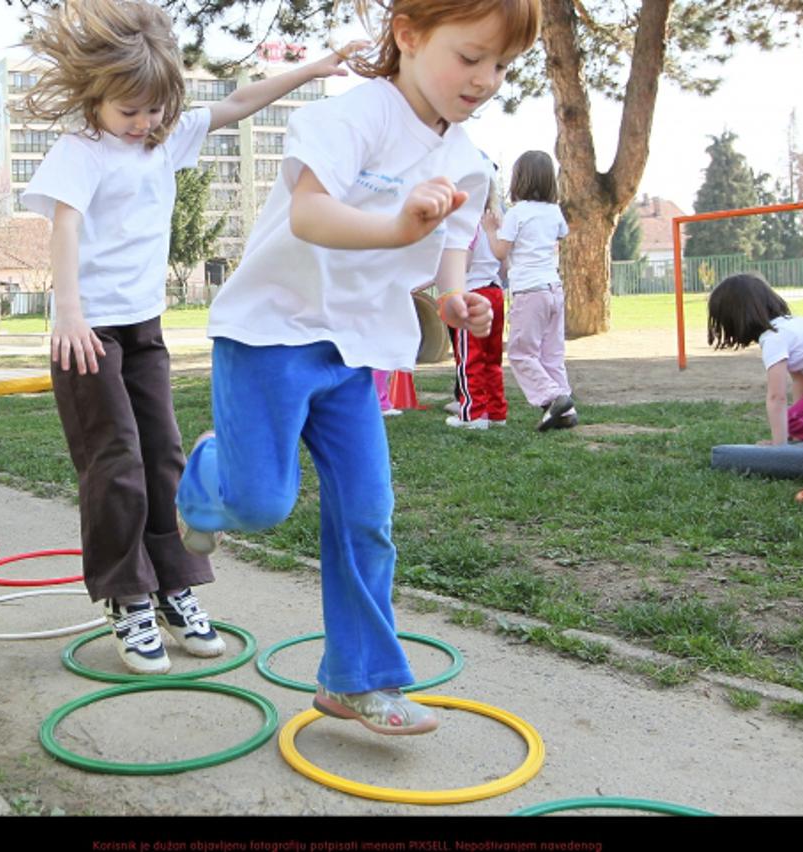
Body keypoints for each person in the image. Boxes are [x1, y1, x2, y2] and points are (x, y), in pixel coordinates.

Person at [176, 0, 539, 732]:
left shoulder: (467, 158)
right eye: (470, 58)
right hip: (272, 330)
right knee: (261, 504)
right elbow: (310, 214)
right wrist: (396, 223)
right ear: (408, 35)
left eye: (501, 66)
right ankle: (206, 477)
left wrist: (455, 296)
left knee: (368, 515)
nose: (486, 80)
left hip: (356, 351)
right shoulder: (355, 117)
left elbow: (451, 245)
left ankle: (357, 679)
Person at [19, 0, 360, 676]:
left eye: (154, 111)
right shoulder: (80, 151)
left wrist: (321, 66)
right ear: (97, 98)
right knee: (113, 462)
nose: (145, 124)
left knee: (163, 456)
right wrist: (68, 312)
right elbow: (63, 225)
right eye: (130, 112)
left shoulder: (162, 136)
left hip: (143, 327)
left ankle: (174, 585)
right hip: (89, 333)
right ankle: (126, 597)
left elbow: (240, 103)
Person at [483, 149, 575, 431]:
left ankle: (553, 397)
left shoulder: (517, 213)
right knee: (552, 352)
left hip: (529, 292)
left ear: (518, 180)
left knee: (521, 353)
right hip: (553, 289)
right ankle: (565, 409)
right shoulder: (554, 212)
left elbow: (500, 252)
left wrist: (490, 230)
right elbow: (561, 234)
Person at [707, 273, 803, 444]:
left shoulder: (773, 339)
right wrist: (794, 425)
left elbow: (777, 397)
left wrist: (779, 445)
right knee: (794, 420)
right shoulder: (790, 326)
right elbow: (802, 382)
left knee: (792, 421)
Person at [447, 168, 507, 429]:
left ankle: (472, 414)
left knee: (468, 357)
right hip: (495, 291)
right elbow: (504, 263)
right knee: (492, 358)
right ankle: (496, 412)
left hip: (472, 294)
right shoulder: (494, 221)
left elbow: (465, 263)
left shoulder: (465, 223)